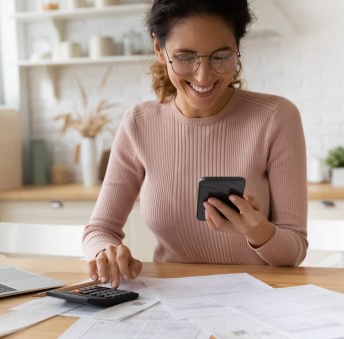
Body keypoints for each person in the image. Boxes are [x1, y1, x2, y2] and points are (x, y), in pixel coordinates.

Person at [83, 0, 308, 288]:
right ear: (159, 50)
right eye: (186, 57)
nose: (203, 76)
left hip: (258, 297)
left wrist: (259, 230)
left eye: (220, 57)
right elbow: (99, 230)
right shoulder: (140, 123)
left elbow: (294, 250)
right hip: (172, 298)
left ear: (238, 49)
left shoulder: (276, 117)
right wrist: (106, 252)